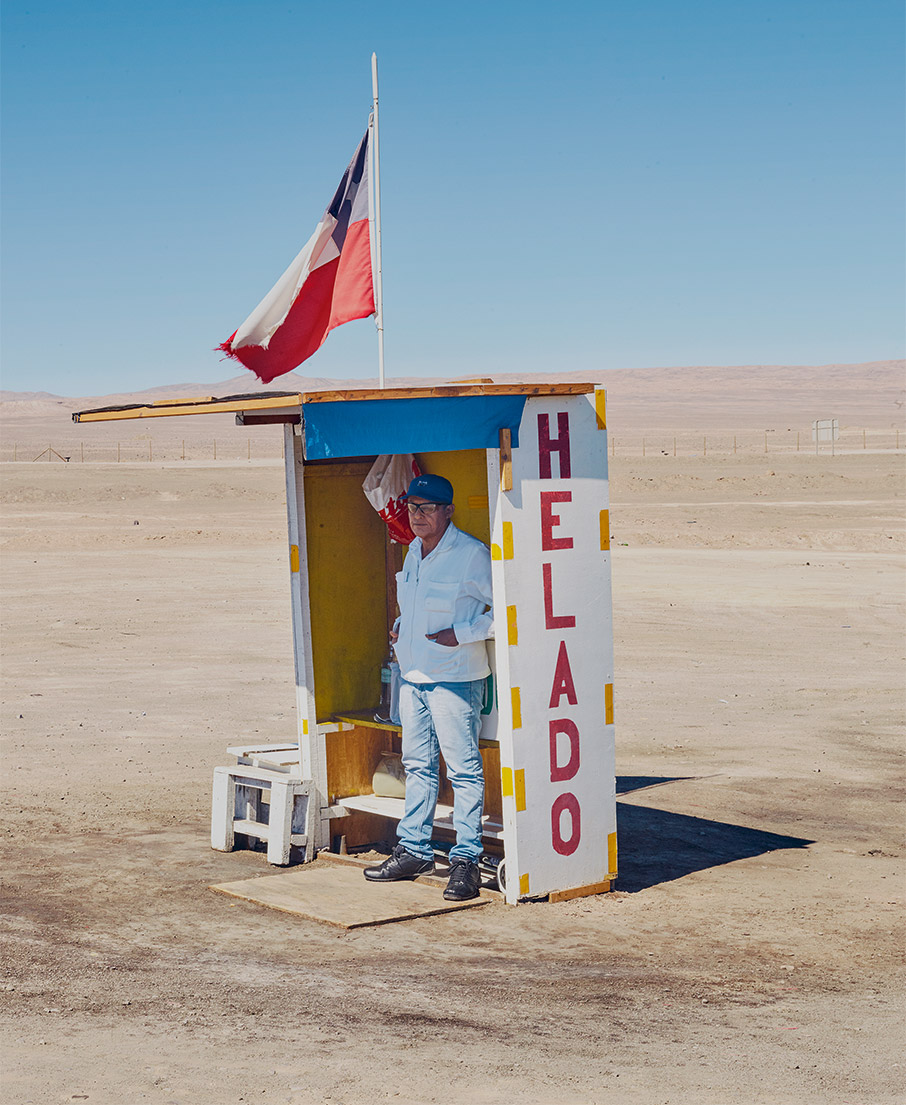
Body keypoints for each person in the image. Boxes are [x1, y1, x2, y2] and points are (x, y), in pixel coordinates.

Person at [364, 473, 494, 901]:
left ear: (448, 511)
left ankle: (466, 861)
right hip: (414, 676)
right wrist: (402, 627)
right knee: (417, 765)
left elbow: (510, 608)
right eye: (413, 508)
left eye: (427, 508)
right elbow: (413, 606)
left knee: (463, 771)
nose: (417, 517)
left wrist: (464, 633)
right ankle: (415, 849)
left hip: (454, 677)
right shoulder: (413, 554)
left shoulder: (472, 555)